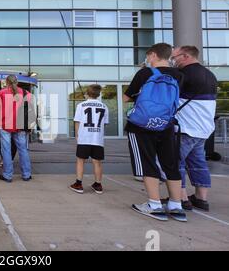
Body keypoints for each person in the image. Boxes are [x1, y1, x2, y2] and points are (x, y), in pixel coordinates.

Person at [123, 43, 187, 222]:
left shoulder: (144, 73)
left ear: (152, 55)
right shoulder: (180, 75)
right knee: (170, 163)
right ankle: (176, 205)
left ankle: (154, 204)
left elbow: (127, 97)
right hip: (166, 125)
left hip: (141, 126)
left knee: (147, 162)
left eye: (148, 56)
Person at [171, 46, 218, 212]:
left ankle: (182, 198)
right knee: (199, 163)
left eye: (175, 57)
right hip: (203, 129)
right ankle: (201, 198)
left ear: (185, 56)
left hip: (186, 128)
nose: (173, 61)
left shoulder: (183, 75)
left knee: (175, 163)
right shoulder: (210, 75)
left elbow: (171, 97)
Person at [69, 85, 109, 194]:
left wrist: (77, 135)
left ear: (87, 93)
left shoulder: (81, 105)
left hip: (85, 137)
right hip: (97, 138)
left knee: (80, 160)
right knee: (97, 162)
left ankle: (78, 184)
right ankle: (98, 184)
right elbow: (104, 124)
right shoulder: (104, 106)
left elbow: (77, 121)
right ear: (98, 94)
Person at [0, 75, 32, 182]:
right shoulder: (26, 93)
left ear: (7, 82)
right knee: (23, 149)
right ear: (17, 82)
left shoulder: (2, 93)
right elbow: (31, 109)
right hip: (20, 126)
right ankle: (26, 174)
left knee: (6, 150)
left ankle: (8, 175)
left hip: (5, 125)